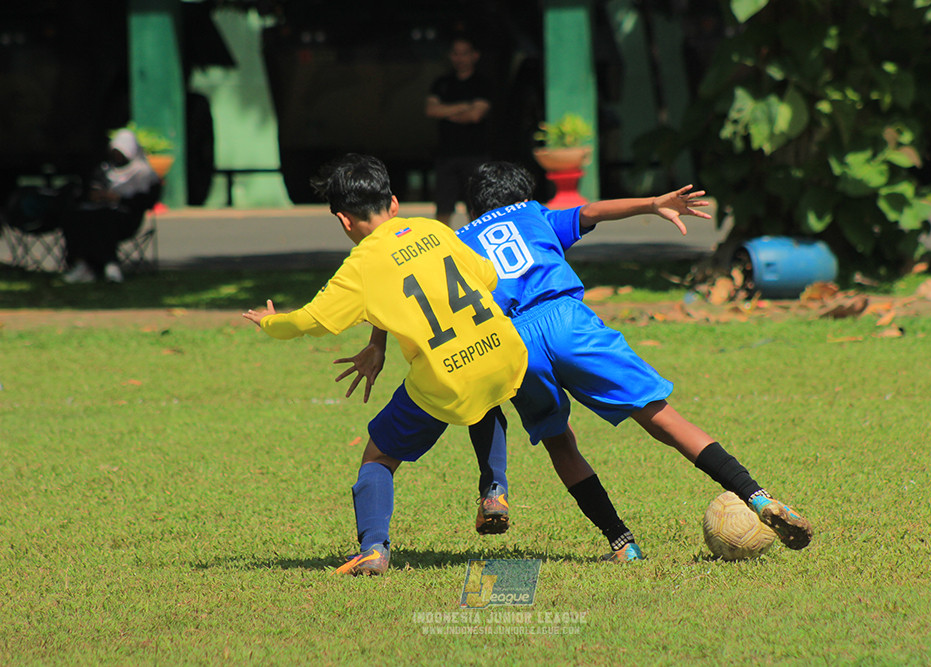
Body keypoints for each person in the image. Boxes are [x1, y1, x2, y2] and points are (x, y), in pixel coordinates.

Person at [452, 161, 814, 561]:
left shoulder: (458, 242)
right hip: (568, 323)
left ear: (473, 207)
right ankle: (757, 497)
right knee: (662, 417)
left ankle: (623, 544)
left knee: (559, 442)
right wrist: (653, 203)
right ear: (523, 195)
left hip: (515, 342)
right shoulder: (533, 213)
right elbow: (592, 211)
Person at [242, 154, 527, 576]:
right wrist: (381, 338)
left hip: (445, 374)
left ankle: (373, 549)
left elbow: (310, 321)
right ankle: (495, 491)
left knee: (377, 457)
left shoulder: (360, 265)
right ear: (393, 203)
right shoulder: (434, 229)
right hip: (502, 352)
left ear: (343, 220)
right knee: (483, 402)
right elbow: (486, 276)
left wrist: (271, 322)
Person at [61, 128, 161, 283]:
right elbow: (91, 190)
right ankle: (81, 264)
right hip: (98, 212)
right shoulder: (105, 169)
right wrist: (96, 195)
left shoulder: (143, 173)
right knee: (76, 217)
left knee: (104, 219)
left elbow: (147, 201)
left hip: (127, 219)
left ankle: (110, 264)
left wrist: (119, 199)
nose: (117, 156)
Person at [425, 34, 492, 227]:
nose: (460, 58)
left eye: (464, 53)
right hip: (446, 156)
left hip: (475, 155)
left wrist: (446, 111)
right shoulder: (442, 83)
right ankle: (441, 244)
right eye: (455, 53)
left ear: (475, 55)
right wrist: (465, 106)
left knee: (477, 209)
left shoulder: (482, 83)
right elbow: (431, 110)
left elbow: (476, 115)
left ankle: (478, 244)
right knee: (443, 210)